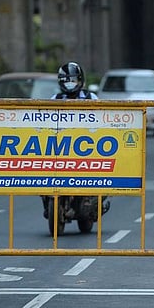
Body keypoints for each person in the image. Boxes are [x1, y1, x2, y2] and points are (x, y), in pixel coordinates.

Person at [41, 62, 107, 218]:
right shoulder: (54, 99)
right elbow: (44, 121)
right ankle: (46, 200)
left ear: (80, 81)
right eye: (66, 81)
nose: (70, 85)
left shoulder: (91, 98)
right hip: (60, 146)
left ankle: (94, 200)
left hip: (87, 146)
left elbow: (102, 120)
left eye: (73, 81)